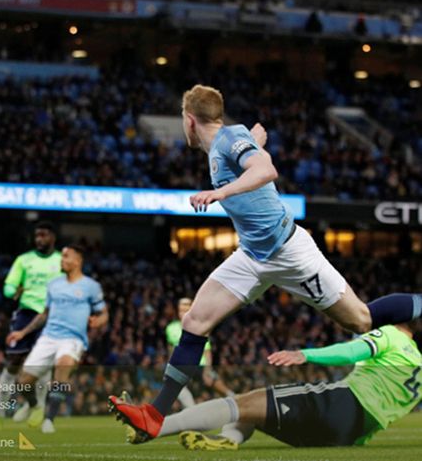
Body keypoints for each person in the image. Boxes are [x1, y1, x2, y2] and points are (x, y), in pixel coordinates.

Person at [109, 84, 422, 440]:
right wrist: (255, 140)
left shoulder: (227, 141)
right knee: (195, 320)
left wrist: (221, 191)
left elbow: (265, 170)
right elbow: (252, 154)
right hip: (251, 256)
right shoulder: (227, 141)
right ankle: (154, 414)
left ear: (189, 120)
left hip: (290, 253)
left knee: (361, 319)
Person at [123, 322, 421, 450]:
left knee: (244, 401)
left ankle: (154, 427)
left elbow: (352, 351)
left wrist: (306, 354)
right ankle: (230, 441)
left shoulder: (392, 335)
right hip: (354, 434)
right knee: (256, 411)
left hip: (344, 402)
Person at [7, 244, 108, 433]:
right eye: (61, 256)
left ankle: (49, 419)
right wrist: (23, 332)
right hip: (49, 337)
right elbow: (44, 314)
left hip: (73, 339)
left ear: (78, 261)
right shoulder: (54, 285)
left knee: (64, 365)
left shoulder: (91, 287)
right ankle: (32, 404)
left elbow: (104, 313)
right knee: (23, 382)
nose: (62, 260)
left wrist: (98, 321)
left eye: (66, 256)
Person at [0, 221, 63, 431]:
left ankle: (39, 407)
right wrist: (12, 290)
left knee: (43, 365)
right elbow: (8, 286)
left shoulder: (60, 260)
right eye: (37, 235)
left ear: (53, 238)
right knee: (14, 360)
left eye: (44, 235)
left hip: (51, 315)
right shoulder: (24, 260)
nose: (39, 239)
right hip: (26, 313)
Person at [165, 297, 232, 409]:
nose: (183, 312)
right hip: (182, 365)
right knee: (174, 384)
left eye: (187, 309)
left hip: (200, 364)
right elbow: (171, 349)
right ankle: (191, 409)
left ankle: (234, 398)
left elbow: (207, 350)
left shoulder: (199, 326)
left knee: (213, 381)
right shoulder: (171, 328)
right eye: (181, 309)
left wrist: (208, 369)